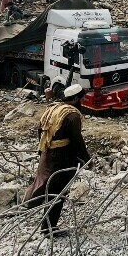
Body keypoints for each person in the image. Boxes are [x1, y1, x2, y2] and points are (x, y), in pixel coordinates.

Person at [23, 84, 90, 237]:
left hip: (47, 153)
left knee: (43, 184)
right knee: (57, 192)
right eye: (80, 99)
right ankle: (48, 228)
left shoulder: (53, 108)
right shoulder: (72, 115)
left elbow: (40, 130)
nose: (82, 101)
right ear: (74, 99)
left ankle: (30, 205)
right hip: (61, 158)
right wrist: (87, 159)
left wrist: (43, 150)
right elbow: (77, 141)